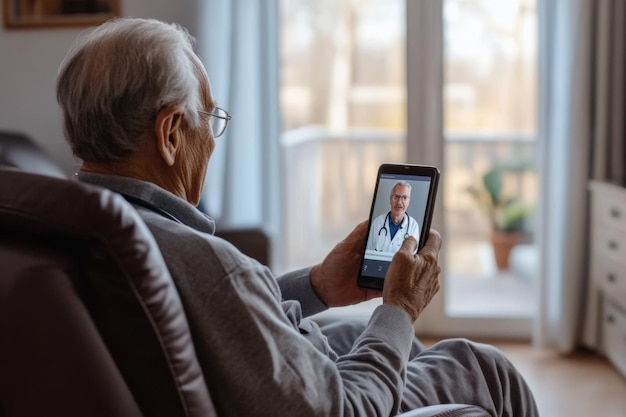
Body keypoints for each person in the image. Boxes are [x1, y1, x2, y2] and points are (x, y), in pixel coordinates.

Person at [56, 17, 539, 417]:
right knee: (479, 365)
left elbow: (206, 313)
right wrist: (400, 309)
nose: (213, 138)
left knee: (354, 332)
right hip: (330, 403)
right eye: (210, 118)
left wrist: (319, 286)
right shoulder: (202, 260)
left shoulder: (77, 224)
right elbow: (343, 409)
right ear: (170, 134)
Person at [367, 181, 420, 253]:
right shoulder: (377, 222)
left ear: (408, 201)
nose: (399, 202)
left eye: (404, 197)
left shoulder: (413, 226)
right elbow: (369, 253)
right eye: (396, 197)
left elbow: (412, 258)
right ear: (390, 199)